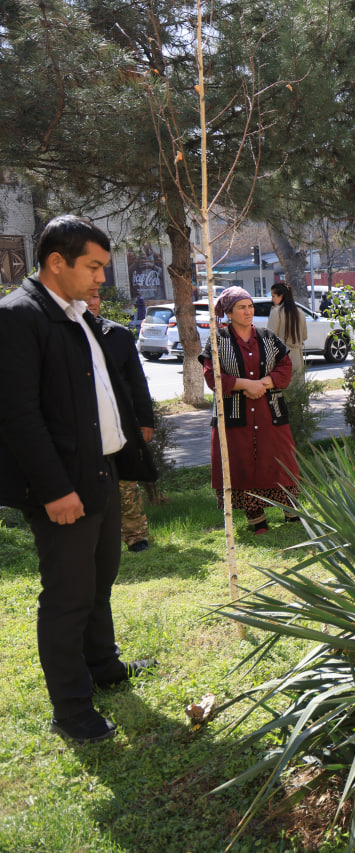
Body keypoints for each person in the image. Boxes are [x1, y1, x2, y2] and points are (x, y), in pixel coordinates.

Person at [0, 215, 158, 745]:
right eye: (92, 267)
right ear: (56, 262)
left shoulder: (74, 316)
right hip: (63, 486)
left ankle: (103, 665)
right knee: (67, 597)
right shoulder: (18, 317)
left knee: (99, 580)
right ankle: (71, 709)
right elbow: (18, 416)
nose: (100, 279)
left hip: (101, 471)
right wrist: (53, 490)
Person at [200, 286, 300, 534]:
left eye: (250, 306)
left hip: (270, 413)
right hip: (235, 417)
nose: (248, 312)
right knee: (241, 464)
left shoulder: (268, 337)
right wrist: (246, 385)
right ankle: (257, 519)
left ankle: (292, 514)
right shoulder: (218, 340)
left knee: (280, 461)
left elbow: (285, 367)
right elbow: (212, 376)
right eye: (241, 308)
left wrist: (263, 384)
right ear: (229, 313)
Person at [87, 292, 155, 553]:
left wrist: (145, 421)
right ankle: (95, 538)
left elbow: (137, 381)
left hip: (119, 422)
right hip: (82, 425)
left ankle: (136, 536)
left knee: (126, 482)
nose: (91, 302)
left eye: (95, 297)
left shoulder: (118, 334)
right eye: (85, 297)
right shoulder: (62, 336)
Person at [268, 282, 308, 384]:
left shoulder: (276, 312)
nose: (272, 299)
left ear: (281, 296)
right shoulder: (301, 313)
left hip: (281, 357)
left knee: (283, 388)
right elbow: (304, 336)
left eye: (273, 296)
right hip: (297, 357)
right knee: (297, 387)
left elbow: (270, 337)